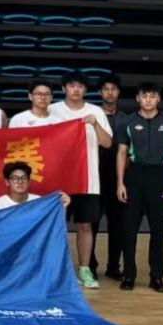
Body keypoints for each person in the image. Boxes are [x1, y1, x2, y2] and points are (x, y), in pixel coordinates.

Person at [116, 82, 163, 293]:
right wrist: (120, 182)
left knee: (158, 230)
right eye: (144, 96)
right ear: (138, 98)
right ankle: (128, 275)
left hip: (159, 176)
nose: (148, 100)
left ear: (158, 99)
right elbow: (121, 153)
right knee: (129, 229)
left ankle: (156, 277)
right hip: (134, 176)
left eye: (153, 96)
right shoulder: (127, 122)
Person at [50, 71, 113, 289]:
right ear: (64, 88)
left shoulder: (95, 111)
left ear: (85, 89)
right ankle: (59, 271)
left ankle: (85, 269)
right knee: (56, 227)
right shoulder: (52, 110)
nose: (75, 90)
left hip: (87, 178)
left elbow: (107, 143)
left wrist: (95, 125)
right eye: (71, 85)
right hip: (58, 179)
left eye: (80, 86)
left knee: (85, 225)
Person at [90, 74, 126, 280]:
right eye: (106, 89)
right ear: (99, 92)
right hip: (94, 177)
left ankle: (113, 266)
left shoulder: (127, 119)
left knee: (117, 225)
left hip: (118, 179)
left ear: (118, 92)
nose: (110, 92)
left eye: (113, 89)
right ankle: (90, 265)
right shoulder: (91, 116)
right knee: (92, 223)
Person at [0, 161, 71, 211]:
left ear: (29, 182)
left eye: (24, 178)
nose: (20, 181)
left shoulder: (38, 201)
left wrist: (63, 206)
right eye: (15, 178)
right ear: (7, 182)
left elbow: (51, 225)